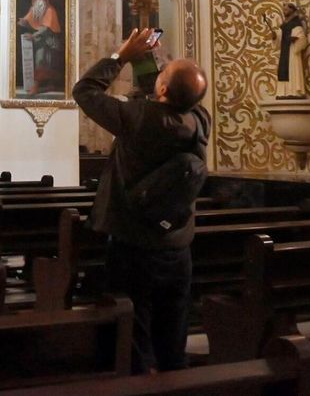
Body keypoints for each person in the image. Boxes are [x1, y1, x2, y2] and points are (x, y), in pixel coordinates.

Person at [73, 28, 210, 373]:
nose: (159, 76)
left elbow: (85, 91)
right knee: (172, 335)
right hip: (178, 246)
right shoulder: (198, 120)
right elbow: (168, 92)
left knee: (133, 332)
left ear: (162, 89)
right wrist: (150, 59)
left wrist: (121, 56)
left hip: (134, 244)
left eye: (163, 74)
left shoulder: (137, 119)